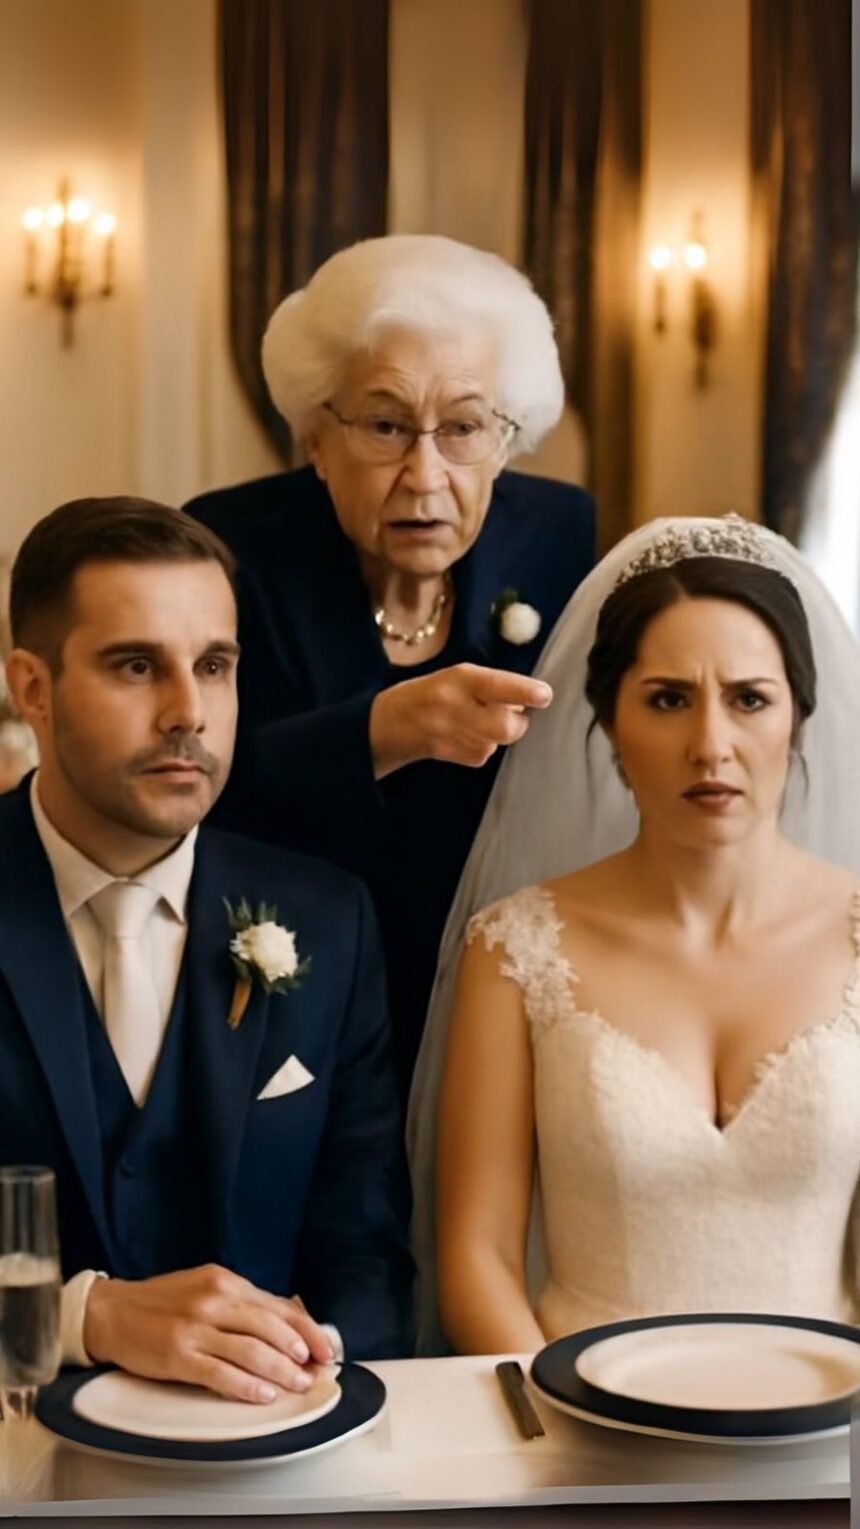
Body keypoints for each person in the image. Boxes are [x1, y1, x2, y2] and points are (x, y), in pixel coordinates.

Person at [408, 514, 860, 1353]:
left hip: (834, 1419)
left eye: (749, 699)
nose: (711, 745)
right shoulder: (513, 949)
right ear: (610, 722)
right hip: (579, 1414)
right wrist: (558, 1414)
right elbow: (479, 1257)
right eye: (668, 699)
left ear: (798, 716)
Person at [0, 496, 413, 1400]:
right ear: (32, 686)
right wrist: (84, 1317)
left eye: (215, 666)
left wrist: (308, 1358)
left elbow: (368, 1256)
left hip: (275, 1445)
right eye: (136, 665)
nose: (188, 711)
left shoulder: (330, 918)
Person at [185, 234, 595, 1098]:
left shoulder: (562, 537)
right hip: (283, 993)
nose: (425, 474)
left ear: (506, 438)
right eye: (385, 425)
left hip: (502, 985)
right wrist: (377, 733)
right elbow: (195, 776)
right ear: (316, 437)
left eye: (464, 427)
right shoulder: (232, 549)